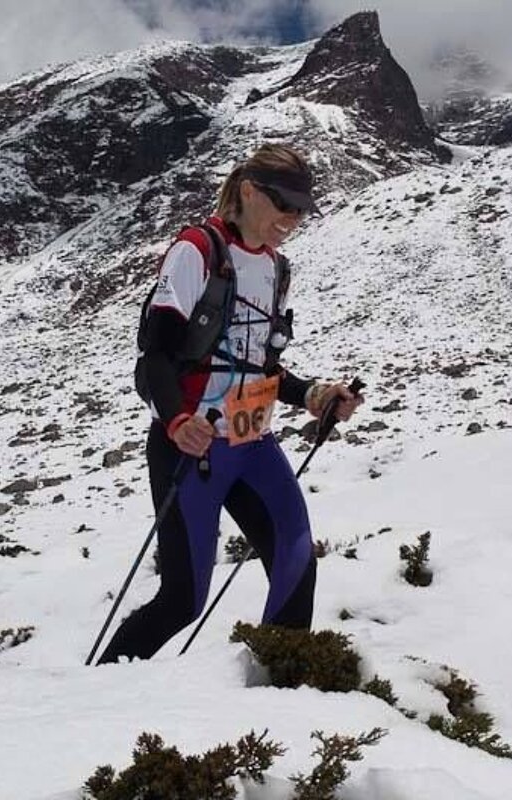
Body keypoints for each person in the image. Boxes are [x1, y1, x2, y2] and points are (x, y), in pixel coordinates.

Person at [97, 143, 362, 664]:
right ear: (247, 191)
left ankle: (276, 693)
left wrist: (313, 396)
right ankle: (97, 694)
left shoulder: (278, 271)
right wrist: (176, 421)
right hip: (190, 448)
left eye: (301, 209)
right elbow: (155, 355)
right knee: (183, 599)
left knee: (295, 558)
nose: (292, 218)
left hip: (251, 441)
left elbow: (258, 367)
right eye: (283, 203)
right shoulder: (197, 252)